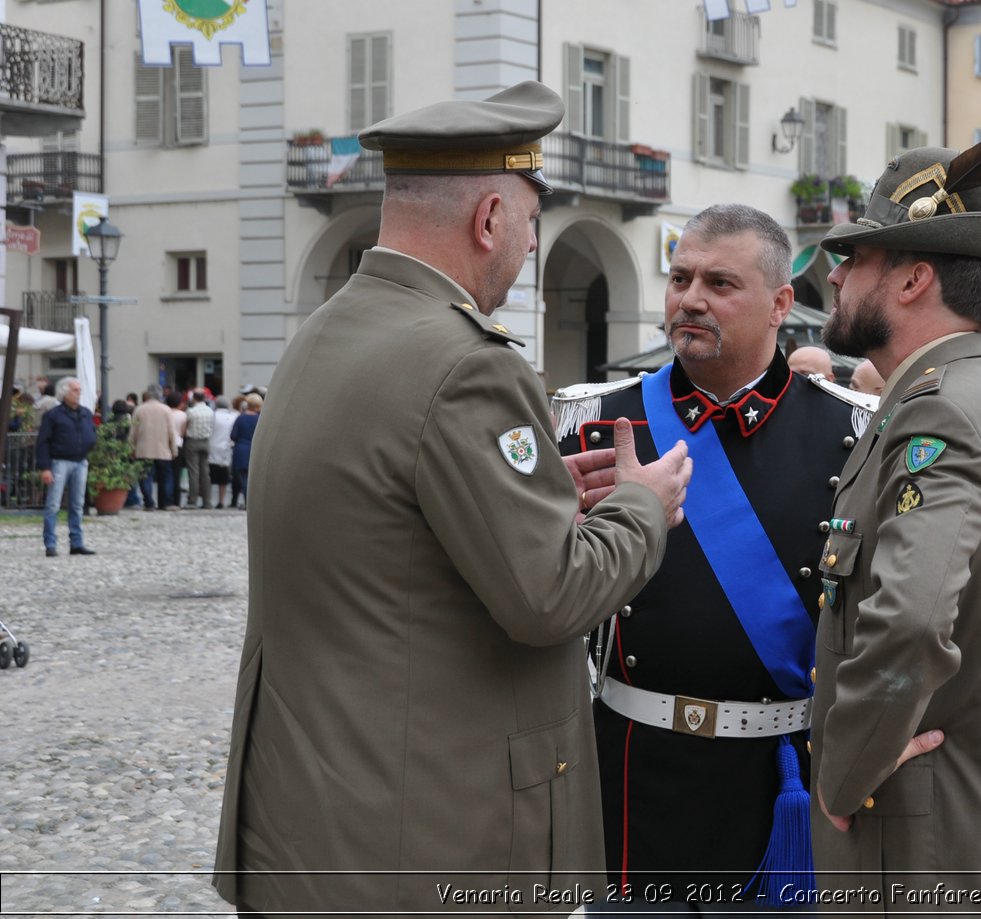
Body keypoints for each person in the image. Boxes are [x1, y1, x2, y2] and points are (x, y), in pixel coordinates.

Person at [211, 80, 694, 916]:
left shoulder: (325, 332)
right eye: (534, 223)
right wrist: (640, 507)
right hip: (431, 834)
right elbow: (550, 596)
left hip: (319, 824)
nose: (532, 247)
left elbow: (396, 536)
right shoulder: (469, 360)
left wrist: (543, 504)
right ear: (490, 220)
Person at [553, 206, 870, 902]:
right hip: (635, 779)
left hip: (780, 783)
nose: (690, 298)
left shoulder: (853, 431)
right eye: (680, 277)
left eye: (720, 282)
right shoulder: (591, 419)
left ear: (781, 303)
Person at [808, 114, 981, 908]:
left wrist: (844, 773)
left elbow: (909, 621)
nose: (837, 276)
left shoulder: (938, 414)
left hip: (933, 838)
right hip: (980, 819)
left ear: (912, 279)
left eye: (856, 257)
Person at [36, 376, 97, 557]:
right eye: (75, 390)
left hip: (80, 461)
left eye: (79, 390)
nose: (79, 393)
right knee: (53, 504)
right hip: (59, 461)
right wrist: (45, 467)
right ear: (64, 392)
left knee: (77, 504)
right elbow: (43, 442)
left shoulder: (85, 413)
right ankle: (50, 543)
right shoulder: (53, 415)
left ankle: (76, 542)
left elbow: (90, 433)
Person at [131, 390, 176, 511]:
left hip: (143, 449)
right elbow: (172, 432)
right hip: (163, 449)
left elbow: (133, 431)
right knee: (166, 476)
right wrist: (174, 449)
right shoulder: (166, 410)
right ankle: (165, 503)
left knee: (145, 476)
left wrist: (131, 448)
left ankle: (149, 502)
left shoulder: (139, 409)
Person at [229, 395, 261, 508]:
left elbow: (233, 435)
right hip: (255, 450)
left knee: (243, 477)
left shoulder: (241, 418)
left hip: (241, 449)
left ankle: (246, 502)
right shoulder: (260, 419)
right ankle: (251, 503)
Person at [183, 389, 213, 508]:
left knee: (193, 471)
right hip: (205, 442)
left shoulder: (191, 411)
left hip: (192, 442)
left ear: (194, 398)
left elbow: (185, 428)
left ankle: (193, 500)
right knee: (205, 472)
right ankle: (207, 501)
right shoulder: (210, 411)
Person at [209, 396, 237, 510]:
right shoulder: (233, 417)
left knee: (209, 477)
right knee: (223, 479)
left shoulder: (213, 415)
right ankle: (221, 500)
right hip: (226, 449)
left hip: (212, 448)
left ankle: (209, 500)